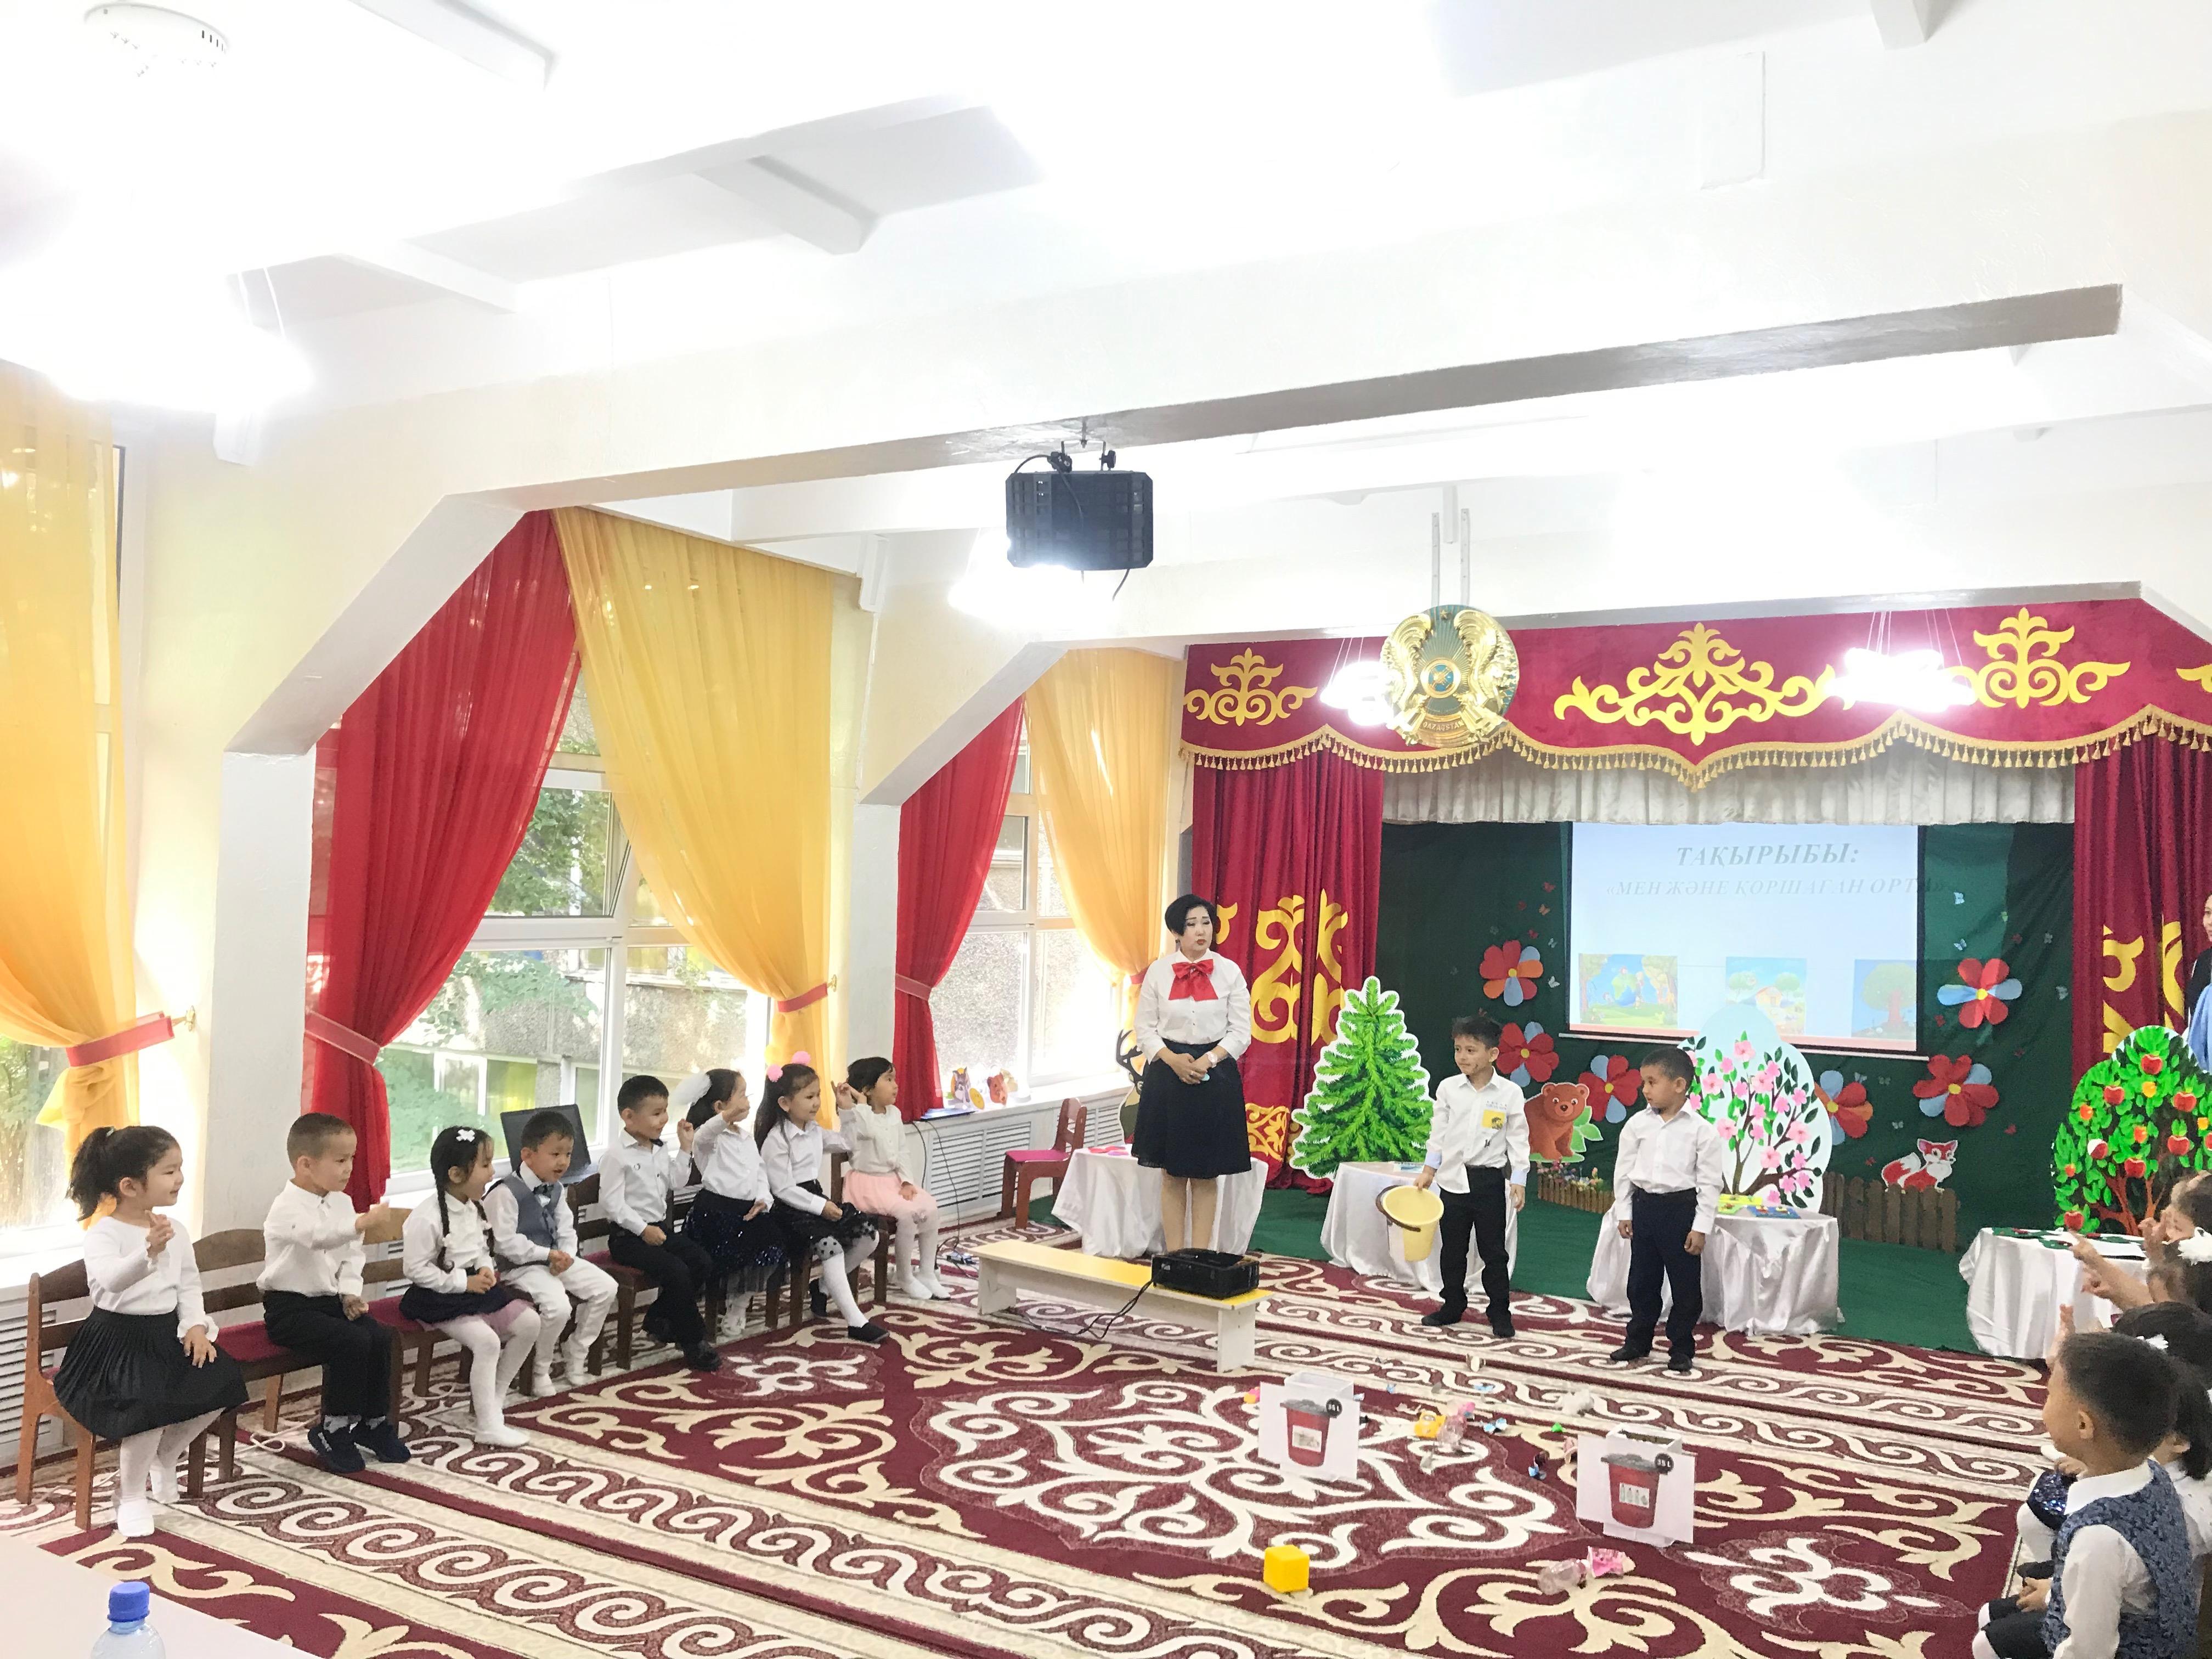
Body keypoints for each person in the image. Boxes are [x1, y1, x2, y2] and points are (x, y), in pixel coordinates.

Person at [53, 1125, 248, 1538]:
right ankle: (130, 1495)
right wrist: (148, 1251)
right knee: (147, 1403)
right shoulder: (103, 1232)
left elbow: (188, 1284)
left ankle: (166, 1454)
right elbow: (111, 1282)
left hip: (166, 1333)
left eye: (180, 1168)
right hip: (115, 1342)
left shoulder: (174, 1227)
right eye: (169, 1171)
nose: (180, 1179)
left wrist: (196, 1325)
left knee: (224, 1379)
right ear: (130, 1186)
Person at [1973, 1329, 2198, 1659]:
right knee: (1990, 1617)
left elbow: (2088, 1651)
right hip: (2147, 1625)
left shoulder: (2098, 1539)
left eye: (2049, 1394)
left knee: (1986, 1644)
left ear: (2083, 1426)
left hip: (2128, 1646)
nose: (2044, 1404)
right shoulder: (2153, 1473)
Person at [258, 1112, 408, 1472]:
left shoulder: (341, 1203)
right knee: (351, 1341)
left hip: (330, 1302)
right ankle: (333, 1428)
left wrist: (350, 1292)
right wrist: (361, 1222)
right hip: (289, 1310)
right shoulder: (285, 1207)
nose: (349, 1168)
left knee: (380, 1336)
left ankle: (373, 1423)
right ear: (306, 1164)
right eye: (340, 1160)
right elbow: (317, 1237)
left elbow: (352, 1254)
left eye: (352, 1158)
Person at [399, 1126, 541, 1447]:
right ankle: (488, 1426)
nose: (493, 1173)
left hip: (475, 1289)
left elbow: (481, 1248)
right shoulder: (427, 1217)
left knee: (530, 1322)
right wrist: (463, 1282)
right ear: (456, 1174)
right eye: (485, 1165)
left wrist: (486, 1267)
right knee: (487, 1342)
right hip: (439, 1298)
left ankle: (492, 1400)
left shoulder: (474, 1206)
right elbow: (416, 1270)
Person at [1132, 894, 1254, 1255]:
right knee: (1172, 1173)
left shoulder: (1229, 971)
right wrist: (1173, 1060)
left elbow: (1241, 1032)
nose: (1201, 931)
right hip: (1168, 1073)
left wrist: (1209, 1060)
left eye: (1206, 923)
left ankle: (1199, 1258)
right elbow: (1145, 1028)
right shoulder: (1159, 972)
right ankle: (1174, 1257)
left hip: (1214, 1075)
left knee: (1205, 1173)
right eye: (1191, 924)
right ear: (1176, 932)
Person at [1607, 1047, 1725, 1375]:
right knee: (1641, 1282)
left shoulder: (1702, 1131)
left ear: (1679, 1085)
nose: (1645, 1090)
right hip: (1645, 1208)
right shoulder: (1637, 1125)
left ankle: (1682, 1347)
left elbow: (1710, 1183)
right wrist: (1624, 1211)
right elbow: (1623, 1171)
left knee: (1685, 1286)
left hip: (1680, 1211)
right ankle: (1638, 1340)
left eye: (1652, 1082)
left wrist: (1701, 1226)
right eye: (1643, 1083)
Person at [486, 1110, 620, 1395]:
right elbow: (505, 1243)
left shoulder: (557, 1189)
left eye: (568, 1154)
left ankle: (577, 1349)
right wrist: (547, 1255)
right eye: (555, 1154)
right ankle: (540, 1368)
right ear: (528, 1155)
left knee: (606, 1288)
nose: (563, 1161)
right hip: (520, 1267)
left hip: (556, 1260)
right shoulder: (505, 1193)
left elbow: (567, 1229)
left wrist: (567, 1256)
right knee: (559, 1307)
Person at [1412, 1014, 1528, 1339]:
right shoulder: (1449, 1089)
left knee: (1494, 1253)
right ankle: (1452, 1305)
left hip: (1488, 1182)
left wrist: (1519, 1178)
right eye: (1458, 1049)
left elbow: (1519, 1139)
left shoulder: (1509, 1093)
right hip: (1452, 1181)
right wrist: (1429, 1170)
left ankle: (1499, 1312)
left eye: (1471, 1050)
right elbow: (1438, 1133)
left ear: (1492, 1054)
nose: (1462, 1057)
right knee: (1452, 1249)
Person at [758, 1060, 888, 1344]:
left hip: (816, 1200)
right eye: (809, 1097)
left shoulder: (814, 1130)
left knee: (870, 1236)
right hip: (788, 1211)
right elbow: (782, 1188)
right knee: (832, 1247)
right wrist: (821, 1207)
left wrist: (846, 1110)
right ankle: (856, 1322)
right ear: (785, 1103)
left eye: (818, 1095)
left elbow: (847, 1143)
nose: (817, 1102)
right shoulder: (777, 1140)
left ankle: (823, 1287)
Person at [602, 1075, 723, 1372]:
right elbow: (612, 1204)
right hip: (628, 1237)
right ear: (629, 1116)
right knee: (676, 1271)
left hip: (659, 1229)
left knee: (702, 1261)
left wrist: (685, 1148)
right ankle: (693, 1341)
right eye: (656, 1113)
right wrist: (643, 1230)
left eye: (665, 1111)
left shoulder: (658, 1148)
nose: (664, 1119)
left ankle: (658, 1317)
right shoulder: (616, 1156)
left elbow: (677, 1182)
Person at [675, 1069, 787, 1331]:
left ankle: (739, 1305)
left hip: (747, 1211)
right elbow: (703, 1134)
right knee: (727, 1254)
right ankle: (706, 1310)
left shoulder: (745, 1137)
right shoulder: (707, 1139)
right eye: (742, 1095)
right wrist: (725, 1117)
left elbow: (760, 1172)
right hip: (715, 1214)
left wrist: (764, 1199)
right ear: (719, 1106)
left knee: (773, 1245)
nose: (748, 1101)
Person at [835, 1058, 947, 1299]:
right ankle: (904, 1275)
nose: (896, 1085)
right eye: (888, 1080)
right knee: (906, 1214)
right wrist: (861, 1104)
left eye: (894, 1079)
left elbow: (902, 1151)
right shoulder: (856, 1115)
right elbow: (868, 1131)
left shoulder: (894, 1113)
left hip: (892, 1181)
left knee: (930, 1207)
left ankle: (927, 1272)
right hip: (866, 1184)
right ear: (867, 1089)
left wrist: (907, 1181)